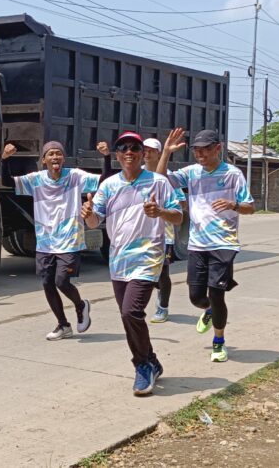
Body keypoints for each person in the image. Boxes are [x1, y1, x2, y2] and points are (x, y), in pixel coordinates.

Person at [81, 132, 182, 396]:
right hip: (118, 260)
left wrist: (159, 212)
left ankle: (142, 366)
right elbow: (95, 222)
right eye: (123, 148)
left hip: (148, 258)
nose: (129, 152)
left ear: (142, 153)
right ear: (117, 155)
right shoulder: (109, 185)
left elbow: (179, 216)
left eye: (135, 148)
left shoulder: (158, 183)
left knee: (131, 313)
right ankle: (152, 360)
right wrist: (88, 215)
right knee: (129, 318)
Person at [158, 127, 255, 364]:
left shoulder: (233, 174)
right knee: (196, 297)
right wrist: (166, 153)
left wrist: (233, 205)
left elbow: (250, 207)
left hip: (224, 243)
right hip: (197, 244)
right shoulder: (191, 173)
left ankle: (219, 342)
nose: (200, 155)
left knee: (217, 293)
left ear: (218, 149)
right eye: (197, 151)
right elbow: (160, 179)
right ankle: (209, 310)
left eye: (205, 150)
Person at [2, 140, 98, 341]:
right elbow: (8, 182)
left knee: (61, 281)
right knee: (47, 283)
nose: (55, 157)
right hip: (45, 241)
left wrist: (106, 158)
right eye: (51, 154)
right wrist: (5, 160)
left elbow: (104, 180)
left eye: (58, 153)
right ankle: (63, 325)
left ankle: (81, 306)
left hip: (70, 239)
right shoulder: (36, 180)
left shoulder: (75, 177)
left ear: (63, 158)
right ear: (44, 160)